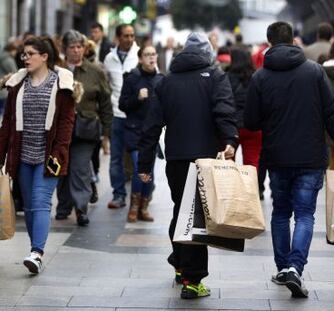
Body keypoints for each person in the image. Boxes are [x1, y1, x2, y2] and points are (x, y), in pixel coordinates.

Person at [138, 32, 238, 299]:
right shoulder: (215, 77)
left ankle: (180, 263)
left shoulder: (166, 82)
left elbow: (151, 126)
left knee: (182, 211)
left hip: (176, 159)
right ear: (207, 52)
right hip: (205, 159)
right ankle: (193, 280)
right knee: (196, 219)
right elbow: (225, 110)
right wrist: (230, 140)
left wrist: (145, 164)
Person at [244, 21, 334, 298]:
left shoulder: (260, 77)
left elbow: (251, 121)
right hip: (310, 156)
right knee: (306, 214)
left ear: (270, 42)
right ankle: (295, 267)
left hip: (277, 156)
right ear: (293, 40)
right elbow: (331, 113)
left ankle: (284, 267)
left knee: (281, 213)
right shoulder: (315, 72)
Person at [0, 36, 76, 274]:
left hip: (49, 157)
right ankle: (34, 250)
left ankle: (37, 252)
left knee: (41, 202)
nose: (25, 58)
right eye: (23, 54)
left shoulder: (62, 83)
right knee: (28, 207)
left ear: (44, 56)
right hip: (23, 156)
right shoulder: (17, 84)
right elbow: (7, 123)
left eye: (30, 54)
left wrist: (60, 152)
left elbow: (67, 123)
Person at [55, 30, 112, 226]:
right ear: (65, 49)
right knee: (61, 168)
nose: (77, 50)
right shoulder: (56, 71)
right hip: (60, 129)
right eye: (72, 47)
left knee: (80, 168)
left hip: (86, 129)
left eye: (80, 46)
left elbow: (105, 102)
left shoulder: (95, 71)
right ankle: (63, 206)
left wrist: (106, 132)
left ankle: (81, 208)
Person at [119, 45, 163, 222]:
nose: (151, 58)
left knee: (149, 173)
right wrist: (137, 98)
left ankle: (144, 207)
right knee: (139, 169)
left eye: (153, 54)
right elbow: (123, 105)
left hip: (151, 134)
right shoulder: (132, 78)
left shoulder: (161, 80)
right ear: (140, 58)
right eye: (147, 55)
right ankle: (134, 206)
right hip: (134, 131)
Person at [104, 24, 139, 209]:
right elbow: (106, 85)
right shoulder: (109, 58)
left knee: (138, 159)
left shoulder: (140, 56)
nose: (130, 39)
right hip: (117, 114)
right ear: (118, 37)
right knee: (116, 157)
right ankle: (118, 194)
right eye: (126, 35)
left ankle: (141, 195)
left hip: (136, 116)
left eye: (132, 35)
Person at [227, 47, 262, 172]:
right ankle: (250, 189)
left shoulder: (226, 78)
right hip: (253, 125)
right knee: (251, 164)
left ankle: (231, 190)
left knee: (228, 163)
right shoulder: (257, 77)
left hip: (231, 127)